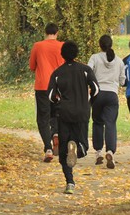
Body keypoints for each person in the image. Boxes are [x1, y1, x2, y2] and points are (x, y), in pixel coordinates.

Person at [48, 40, 99, 194]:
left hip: (64, 113)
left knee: (63, 150)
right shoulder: (85, 70)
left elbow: (50, 96)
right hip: (82, 112)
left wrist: (59, 102)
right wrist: (88, 102)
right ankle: (77, 149)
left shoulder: (57, 73)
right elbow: (96, 90)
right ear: (76, 53)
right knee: (84, 145)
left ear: (62, 55)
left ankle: (70, 182)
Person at [87, 35, 126, 169]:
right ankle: (110, 151)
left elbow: (87, 72)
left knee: (97, 122)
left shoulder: (95, 57)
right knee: (110, 123)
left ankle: (98, 152)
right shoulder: (119, 61)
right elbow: (122, 81)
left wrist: (91, 84)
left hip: (97, 94)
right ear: (111, 44)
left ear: (100, 45)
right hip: (112, 95)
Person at [29, 23, 65, 162]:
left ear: (45, 32)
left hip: (42, 86)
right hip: (58, 86)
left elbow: (32, 66)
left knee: (43, 118)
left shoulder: (38, 46)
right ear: (57, 33)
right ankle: (55, 133)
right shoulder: (62, 46)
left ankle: (48, 148)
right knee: (56, 113)